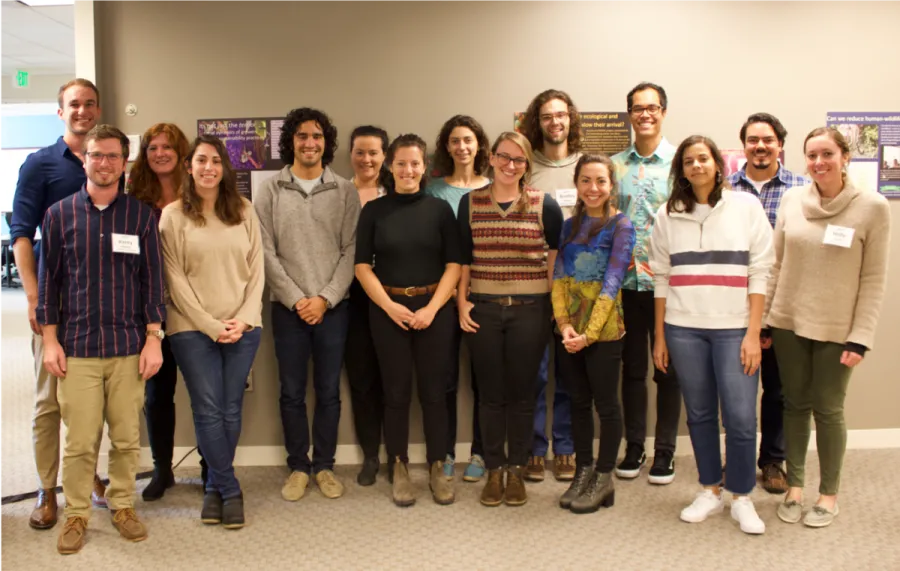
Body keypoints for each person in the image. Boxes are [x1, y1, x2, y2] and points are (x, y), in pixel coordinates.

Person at [37, 125, 165, 553]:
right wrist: (51, 342)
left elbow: (152, 283)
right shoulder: (58, 215)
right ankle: (75, 514)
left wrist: (153, 338)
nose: (104, 163)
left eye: (113, 156)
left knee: (127, 438)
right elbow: (48, 283)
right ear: (85, 159)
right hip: (77, 349)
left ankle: (122, 504)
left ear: (124, 162)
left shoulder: (141, 217)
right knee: (80, 441)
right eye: (97, 155)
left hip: (129, 348)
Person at [767, 127, 891, 528]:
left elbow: (874, 279)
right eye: (812, 155)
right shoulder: (791, 200)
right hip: (788, 322)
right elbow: (777, 265)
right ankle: (796, 488)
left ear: (844, 157)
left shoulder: (872, 207)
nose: (819, 162)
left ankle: (828, 494)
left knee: (829, 410)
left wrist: (862, 337)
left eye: (827, 154)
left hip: (839, 329)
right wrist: (767, 319)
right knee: (795, 405)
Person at [649, 135, 773, 535]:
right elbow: (662, 279)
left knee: (739, 417)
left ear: (717, 164)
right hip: (683, 328)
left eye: (703, 158)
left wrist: (753, 333)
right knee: (699, 414)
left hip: (734, 327)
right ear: (681, 169)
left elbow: (760, 271)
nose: (696, 166)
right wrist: (660, 336)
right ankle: (709, 489)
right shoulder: (667, 214)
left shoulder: (746, 207)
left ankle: (741, 497)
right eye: (688, 161)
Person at [10, 78, 107, 530]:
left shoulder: (108, 160)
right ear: (60, 111)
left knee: (93, 402)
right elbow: (22, 236)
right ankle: (47, 490)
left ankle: (87, 477)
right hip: (54, 304)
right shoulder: (40, 165)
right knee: (48, 403)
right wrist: (33, 297)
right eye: (74, 105)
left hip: (99, 307)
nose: (82, 111)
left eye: (89, 104)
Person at [254, 108, 360, 502]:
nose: (310, 142)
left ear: (326, 142)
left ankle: (325, 465)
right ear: (291, 142)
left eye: (317, 136)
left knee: (329, 391)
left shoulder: (344, 191)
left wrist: (325, 298)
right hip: (288, 309)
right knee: (291, 392)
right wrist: (299, 299)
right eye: (302, 136)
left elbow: (351, 251)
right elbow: (264, 251)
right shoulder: (271, 189)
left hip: (334, 309)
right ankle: (299, 465)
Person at [160, 135, 264, 530]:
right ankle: (229, 489)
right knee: (207, 409)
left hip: (243, 327)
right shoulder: (173, 216)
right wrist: (209, 324)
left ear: (225, 168)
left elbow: (258, 271)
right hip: (190, 329)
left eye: (215, 161)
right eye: (201, 160)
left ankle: (213, 488)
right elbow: (174, 278)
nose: (208, 168)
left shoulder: (244, 209)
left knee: (231, 408)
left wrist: (246, 317)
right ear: (189, 167)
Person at [458, 131, 563, 507]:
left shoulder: (544, 205)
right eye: (504, 157)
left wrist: (554, 307)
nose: (510, 165)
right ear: (491, 157)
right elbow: (463, 259)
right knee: (490, 396)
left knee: (522, 395)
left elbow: (553, 258)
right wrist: (461, 303)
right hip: (484, 308)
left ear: (527, 166)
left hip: (531, 310)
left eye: (518, 160)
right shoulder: (470, 204)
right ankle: (494, 470)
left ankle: (516, 470)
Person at [355, 134, 461, 507]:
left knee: (434, 393)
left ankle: (436, 466)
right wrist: (389, 306)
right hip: (389, 312)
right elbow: (362, 267)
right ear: (390, 166)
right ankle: (397, 465)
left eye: (415, 163)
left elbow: (454, 265)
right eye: (401, 163)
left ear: (424, 166)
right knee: (396, 393)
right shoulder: (374, 211)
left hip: (435, 311)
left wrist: (432, 308)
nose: (408, 170)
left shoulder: (439, 210)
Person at [726, 113, 809, 494]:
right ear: (744, 146)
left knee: (778, 389)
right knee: (735, 388)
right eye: (753, 140)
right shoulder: (725, 188)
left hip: (783, 304)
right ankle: (739, 457)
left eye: (768, 140)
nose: (761, 146)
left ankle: (773, 461)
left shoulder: (802, 189)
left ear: (780, 145)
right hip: (732, 304)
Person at [553, 155, 635, 513]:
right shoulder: (569, 225)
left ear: (611, 185)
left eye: (600, 181)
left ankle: (603, 476)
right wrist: (565, 326)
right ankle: (583, 471)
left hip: (604, 331)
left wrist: (588, 333)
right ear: (577, 184)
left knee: (606, 404)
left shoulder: (621, 226)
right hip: (570, 331)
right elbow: (558, 278)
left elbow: (613, 282)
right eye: (586, 180)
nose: (593, 188)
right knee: (577, 403)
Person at [611, 82, 681, 485]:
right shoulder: (615, 165)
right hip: (626, 284)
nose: (645, 114)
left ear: (664, 112)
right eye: (638, 108)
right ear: (630, 115)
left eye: (652, 107)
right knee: (632, 369)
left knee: (667, 369)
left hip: (668, 284)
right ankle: (634, 445)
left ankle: (666, 451)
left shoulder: (680, 163)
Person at [127, 122, 194, 501]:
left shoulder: (199, 195)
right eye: (153, 147)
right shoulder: (135, 201)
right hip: (151, 313)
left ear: (181, 153)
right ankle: (162, 470)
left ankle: (209, 469)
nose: (160, 153)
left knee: (205, 394)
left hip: (195, 311)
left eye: (168, 147)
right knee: (156, 396)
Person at [520, 89, 584, 482]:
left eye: (561, 115)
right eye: (547, 116)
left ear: (570, 119)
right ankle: (532, 448)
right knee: (535, 372)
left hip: (578, 287)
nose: (555, 122)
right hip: (534, 283)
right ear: (537, 122)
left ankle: (565, 447)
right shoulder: (527, 168)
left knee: (569, 373)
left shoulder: (587, 166)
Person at [426, 114, 491, 483]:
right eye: (455, 141)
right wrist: (448, 294)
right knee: (445, 379)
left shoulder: (495, 187)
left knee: (484, 380)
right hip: (442, 298)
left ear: (478, 144)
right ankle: (446, 451)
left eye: (468, 139)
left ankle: (481, 450)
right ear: (446, 147)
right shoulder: (434, 191)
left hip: (484, 295)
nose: (462, 147)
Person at [345, 125, 389, 486]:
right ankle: (371, 455)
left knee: (394, 378)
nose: (367, 159)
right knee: (361, 380)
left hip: (391, 296)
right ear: (351, 155)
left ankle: (397, 454)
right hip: (350, 298)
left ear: (384, 156)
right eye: (360, 152)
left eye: (374, 152)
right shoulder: (339, 194)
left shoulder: (398, 192)